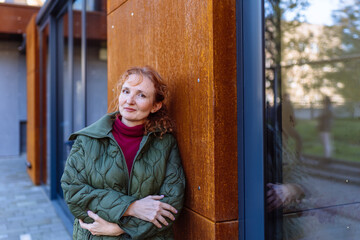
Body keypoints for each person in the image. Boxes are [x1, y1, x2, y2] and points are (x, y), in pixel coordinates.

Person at [61, 66, 185, 239]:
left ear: (155, 105)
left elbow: (171, 203)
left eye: (141, 95)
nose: (130, 100)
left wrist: (121, 229)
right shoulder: (87, 140)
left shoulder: (165, 143)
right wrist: (130, 207)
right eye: (126, 91)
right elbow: (73, 192)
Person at [317, 96, 333, 160]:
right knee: (325, 142)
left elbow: (325, 117)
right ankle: (326, 156)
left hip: (325, 128)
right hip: (323, 127)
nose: (323, 102)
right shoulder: (326, 108)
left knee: (326, 143)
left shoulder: (328, 108)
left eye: (324, 100)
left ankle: (327, 157)